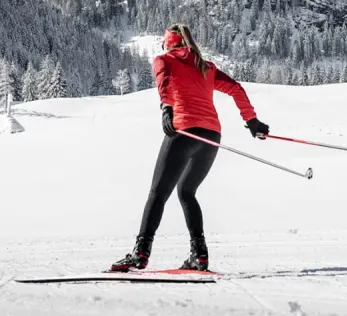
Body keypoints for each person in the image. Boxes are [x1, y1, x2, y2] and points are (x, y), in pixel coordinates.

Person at [111, 24, 269, 273]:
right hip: (211, 136)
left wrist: (167, 109)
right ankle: (200, 255)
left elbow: (163, 84)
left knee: (158, 192)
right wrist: (252, 121)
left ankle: (140, 253)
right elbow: (236, 89)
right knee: (186, 192)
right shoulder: (206, 67)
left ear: (168, 44)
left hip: (184, 131)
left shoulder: (164, 60)